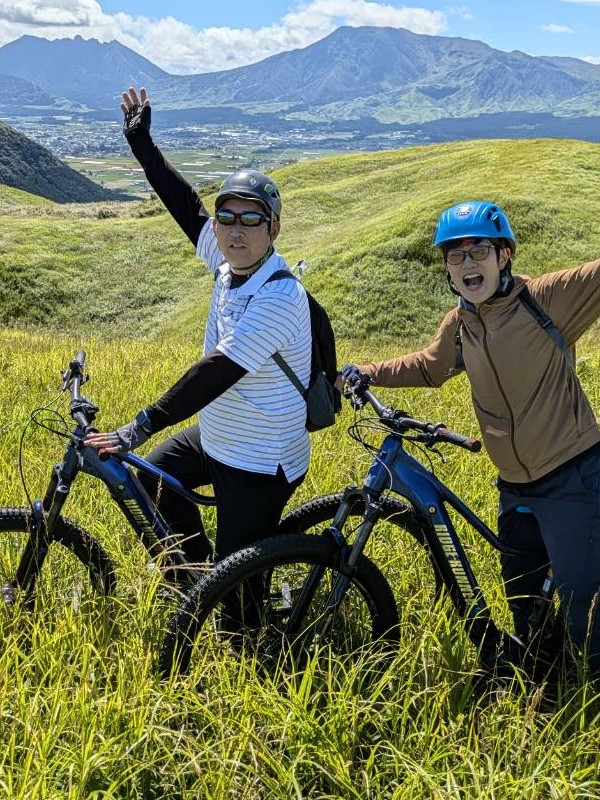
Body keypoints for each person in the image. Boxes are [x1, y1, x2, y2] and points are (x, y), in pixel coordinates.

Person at [341, 200, 600, 675]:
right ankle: (546, 688)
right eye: (455, 255)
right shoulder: (460, 324)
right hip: (514, 487)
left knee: (587, 612)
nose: (467, 263)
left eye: (479, 250)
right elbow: (429, 367)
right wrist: (369, 372)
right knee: (525, 602)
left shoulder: (545, 300)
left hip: (574, 477)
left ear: (504, 256)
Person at [85, 87, 311, 576]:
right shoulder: (228, 266)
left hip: (260, 459)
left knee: (239, 602)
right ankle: (195, 577)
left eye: (251, 219)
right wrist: (141, 143)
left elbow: (216, 371)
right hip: (216, 439)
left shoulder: (280, 296)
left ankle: (228, 600)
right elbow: (187, 206)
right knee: (151, 482)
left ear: (273, 229)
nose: (235, 230)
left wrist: (139, 426)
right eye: (226, 217)